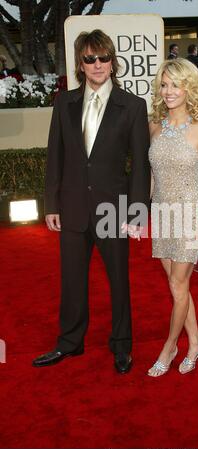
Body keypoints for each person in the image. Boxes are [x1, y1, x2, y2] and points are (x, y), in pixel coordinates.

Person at [32, 29, 151, 373]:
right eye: (89, 59)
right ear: (80, 65)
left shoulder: (132, 106)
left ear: (113, 63)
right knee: (71, 281)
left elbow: (139, 165)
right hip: (70, 207)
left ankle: (122, 346)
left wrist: (137, 211)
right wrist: (51, 205)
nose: (97, 64)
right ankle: (69, 343)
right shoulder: (64, 103)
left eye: (103, 58)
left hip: (114, 209)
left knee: (118, 280)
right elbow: (55, 156)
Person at [148, 58, 198, 377]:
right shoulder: (154, 126)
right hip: (161, 214)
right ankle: (197, 342)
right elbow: (151, 175)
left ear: (188, 87)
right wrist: (141, 212)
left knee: (178, 285)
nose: (168, 91)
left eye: (175, 84)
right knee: (177, 287)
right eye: (164, 84)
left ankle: (169, 347)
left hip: (190, 214)